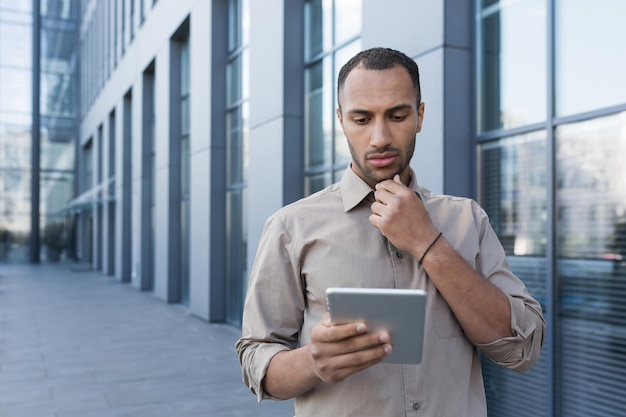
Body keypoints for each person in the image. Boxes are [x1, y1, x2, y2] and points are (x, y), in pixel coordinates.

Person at [236, 47, 545, 417]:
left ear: (420, 116)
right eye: (361, 119)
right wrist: (312, 363)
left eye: (397, 115)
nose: (380, 137)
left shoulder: (467, 219)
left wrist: (428, 243)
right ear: (341, 120)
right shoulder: (291, 226)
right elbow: (256, 359)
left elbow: (522, 350)